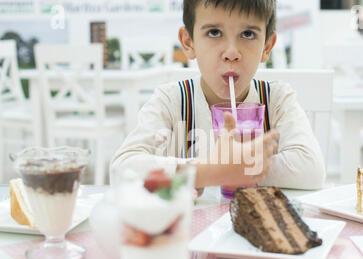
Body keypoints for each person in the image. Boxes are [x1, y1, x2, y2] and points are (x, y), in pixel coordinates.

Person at [110, 0, 325, 194]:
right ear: (188, 42)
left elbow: (312, 168)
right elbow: (121, 168)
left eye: (248, 34)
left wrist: (236, 169)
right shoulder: (172, 101)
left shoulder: (276, 100)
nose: (232, 52)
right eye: (214, 32)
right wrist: (209, 172)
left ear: (266, 47)